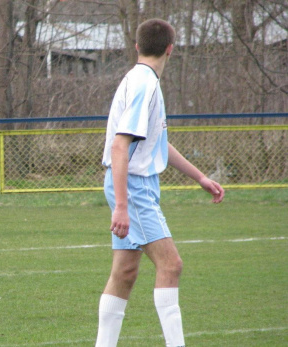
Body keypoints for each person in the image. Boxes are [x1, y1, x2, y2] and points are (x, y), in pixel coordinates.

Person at [96, 19, 224, 347]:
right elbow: (119, 146)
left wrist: (199, 177)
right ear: (171, 48)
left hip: (136, 183)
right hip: (134, 187)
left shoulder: (143, 79)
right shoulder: (144, 84)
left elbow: (154, 142)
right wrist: (123, 206)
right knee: (171, 264)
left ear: (137, 47)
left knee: (125, 272)